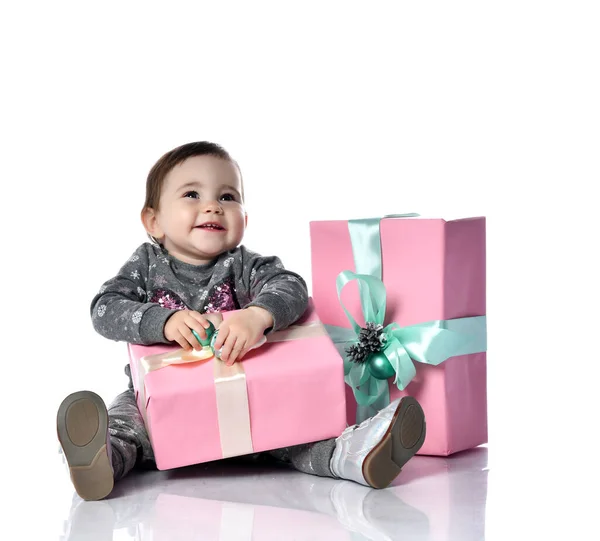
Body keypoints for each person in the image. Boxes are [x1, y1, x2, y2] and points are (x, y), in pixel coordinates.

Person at [56, 141, 426, 501]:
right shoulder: (147, 265)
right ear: (153, 220)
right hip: (161, 407)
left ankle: (355, 455)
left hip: (254, 403)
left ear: (244, 219)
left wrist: (258, 315)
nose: (213, 207)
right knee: (128, 424)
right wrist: (162, 322)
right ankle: (102, 459)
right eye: (191, 195)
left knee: (300, 429)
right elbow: (105, 308)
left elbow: (292, 287)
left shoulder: (244, 264)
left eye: (227, 197)